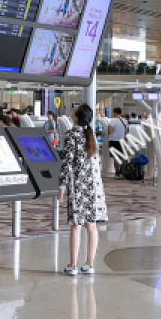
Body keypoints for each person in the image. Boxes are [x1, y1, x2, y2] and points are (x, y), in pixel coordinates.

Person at [58, 104, 107, 275]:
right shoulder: (90, 134)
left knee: (76, 226)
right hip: (94, 186)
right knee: (91, 226)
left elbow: (68, 162)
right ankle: (89, 264)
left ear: (76, 117)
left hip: (78, 185)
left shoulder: (72, 134)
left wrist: (62, 187)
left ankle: (72, 266)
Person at [107, 108, 128, 176]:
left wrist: (108, 130)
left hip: (114, 140)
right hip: (122, 141)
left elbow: (110, 130)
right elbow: (127, 132)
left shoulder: (112, 120)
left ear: (115, 113)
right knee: (122, 156)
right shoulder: (125, 121)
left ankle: (116, 171)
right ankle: (122, 170)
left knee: (116, 156)